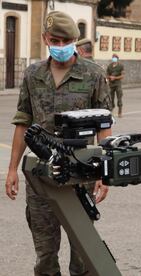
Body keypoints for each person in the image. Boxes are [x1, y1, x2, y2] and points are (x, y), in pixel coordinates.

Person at [4, 11, 112, 276]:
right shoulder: (33, 75)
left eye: (66, 41)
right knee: (44, 252)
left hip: (81, 173)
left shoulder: (93, 75)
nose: (60, 46)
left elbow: (104, 127)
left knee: (83, 253)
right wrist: (12, 169)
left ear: (75, 41)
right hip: (41, 175)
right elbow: (22, 122)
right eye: (55, 40)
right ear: (45, 39)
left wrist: (105, 173)